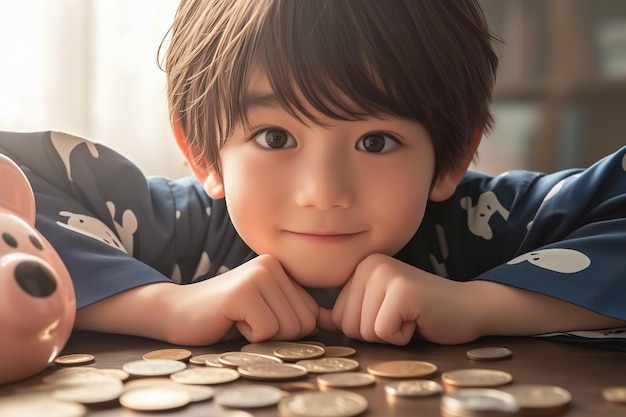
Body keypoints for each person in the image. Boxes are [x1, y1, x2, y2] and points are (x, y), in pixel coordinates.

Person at [1, 0, 625, 348]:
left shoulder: (481, 223)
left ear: (452, 157)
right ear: (202, 153)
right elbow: (15, 184)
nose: (323, 193)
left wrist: (484, 305)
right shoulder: (174, 227)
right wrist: (163, 306)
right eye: (275, 137)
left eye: (376, 141)